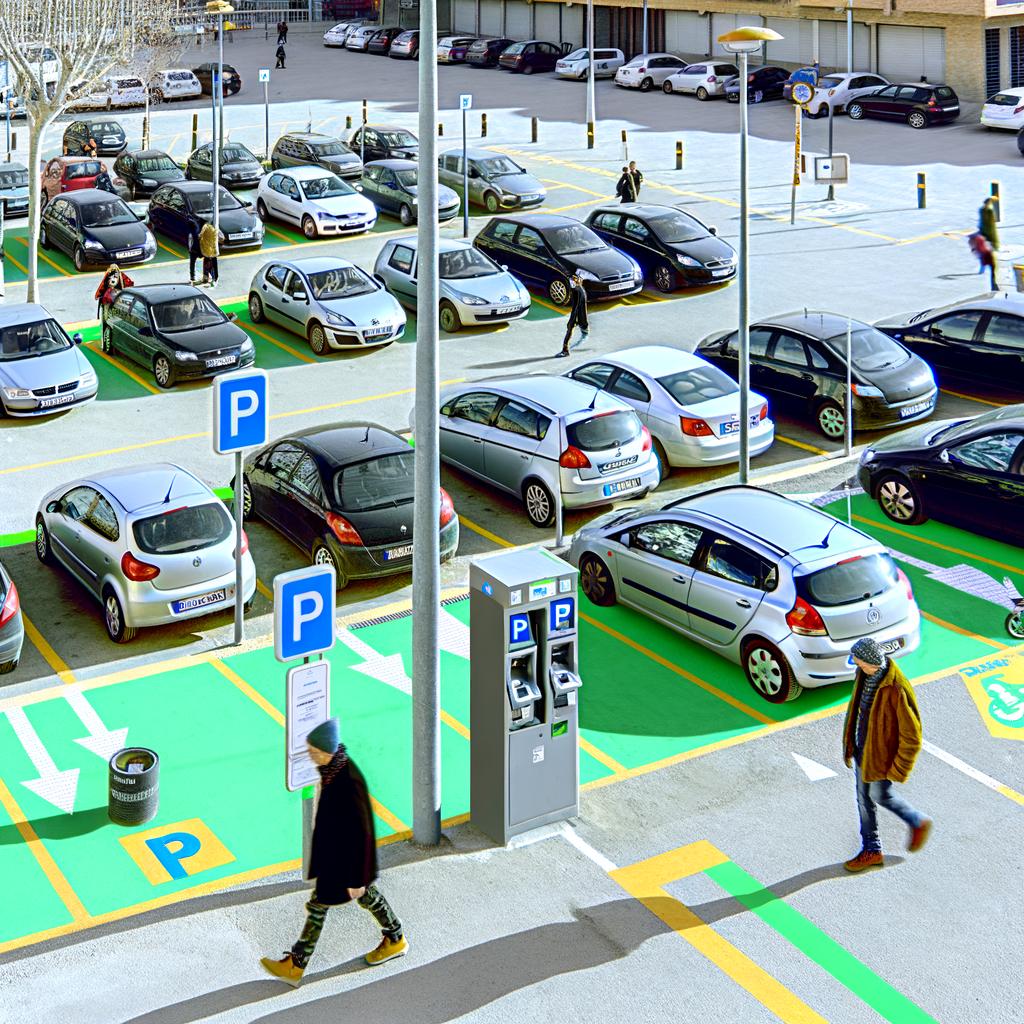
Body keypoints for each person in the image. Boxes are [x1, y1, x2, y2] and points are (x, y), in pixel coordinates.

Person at [260, 719, 407, 988]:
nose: (310, 755)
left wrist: (357, 877)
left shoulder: (348, 781)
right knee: (357, 898)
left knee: (320, 905)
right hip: (337, 858)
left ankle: (296, 964)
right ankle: (395, 938)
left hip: (346, 863)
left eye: (314, 751)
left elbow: (362, 832)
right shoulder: (332, 771)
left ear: (327, 750)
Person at [841, 637, 932, 872]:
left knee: (880, 796)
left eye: (859, 661)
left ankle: (916, 821)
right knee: (864, 799)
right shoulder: (865, 675)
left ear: (872, 661)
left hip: (880, 757)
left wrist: (898, 769)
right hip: (864, 750)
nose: (856, 664)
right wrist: (851, 743)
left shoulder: (896, 688)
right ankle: (872, 849)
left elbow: (912, 736)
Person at [556, 272, 589, 357]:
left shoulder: (577, 291)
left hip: (578, 314)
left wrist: (572, 320)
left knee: (570, 329)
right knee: (582, 330)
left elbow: (576, 306)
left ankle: (565, 350)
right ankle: (584, 334)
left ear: (576, 281)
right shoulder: (580, 289)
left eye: (572, 280)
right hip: (582, 317)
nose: (570, 281)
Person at [198, 219, 222, 286]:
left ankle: (206, 278)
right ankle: (215, 278)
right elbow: (222, 238)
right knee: (214, 265)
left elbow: (200, 235)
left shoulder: (205, 226)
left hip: (207, 251)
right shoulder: (216, 228)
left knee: (207, 265)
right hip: (214, 251)